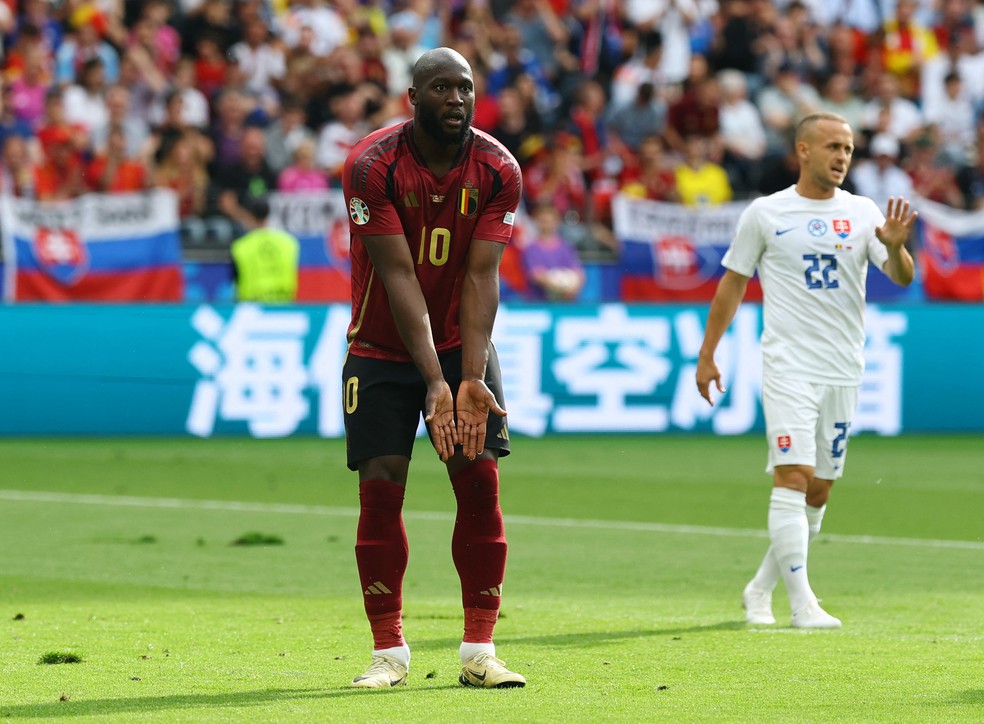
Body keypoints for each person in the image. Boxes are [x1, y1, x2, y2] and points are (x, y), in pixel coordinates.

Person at [340, 47, 526, 690]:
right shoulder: (372, 166)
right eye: (441, 88)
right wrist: (433, 384)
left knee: (479, 482)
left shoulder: (498, 167)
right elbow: (397, 277)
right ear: (412, 98)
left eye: (466, 88)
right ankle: (388, 653)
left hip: (462, 347)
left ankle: (480, 651)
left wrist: (467, 377)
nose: (456, 99)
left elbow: (480, 276)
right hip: (381, 349)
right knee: (381, 487)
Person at [695, 113, 916, 629]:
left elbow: (902, 277)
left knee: (819, 489)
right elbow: (732, 283)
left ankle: (759, 590)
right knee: (792, 475)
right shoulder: (767, 213)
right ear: (803, 150)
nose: (842, 157)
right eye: (833, 146)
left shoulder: (862, 213)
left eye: (849, 149)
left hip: (843, 368)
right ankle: (803, 604)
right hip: (788, 365)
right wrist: (708, 353)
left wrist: (898, 245)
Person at [230, 196, 300, 303]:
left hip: (252, 309)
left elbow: (235, 279)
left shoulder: (240, 247)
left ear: (248, 216)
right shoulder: (289, 242)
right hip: (284, 307)